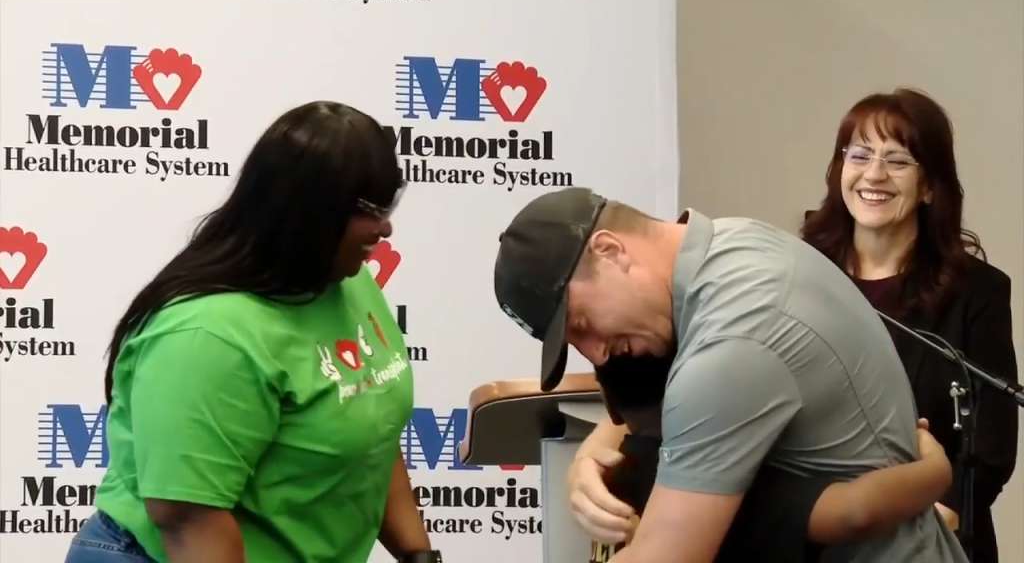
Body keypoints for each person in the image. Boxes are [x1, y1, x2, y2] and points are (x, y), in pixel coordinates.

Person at [492, 187, 968, 562]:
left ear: (611, 250)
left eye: (581, 324)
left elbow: (665, 556)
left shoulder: (731, 343)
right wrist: (589, 453)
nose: (595, 352)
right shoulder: (734, 247)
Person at [64, 101, 441, 563]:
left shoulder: (346, 281)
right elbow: (190, 521)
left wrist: (420, 557)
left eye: (389, 205)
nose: (386, 227)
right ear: (307, 212)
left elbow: (374, 439)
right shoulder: (207, 337)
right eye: (370, 210)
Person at [801, 88, 1019, 562]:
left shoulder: (977, 291)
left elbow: (993, 444)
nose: (874, 174)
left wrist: (941, 517)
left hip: (930, 537)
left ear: (929, 187)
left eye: (898, 161)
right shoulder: (799, 273)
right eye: (860, 155)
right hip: (815, 533)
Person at [593, 354, 954, 563]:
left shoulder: (609, 478)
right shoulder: (721, 478)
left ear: (610, 407)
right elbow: (855, 510)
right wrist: (935, 467)